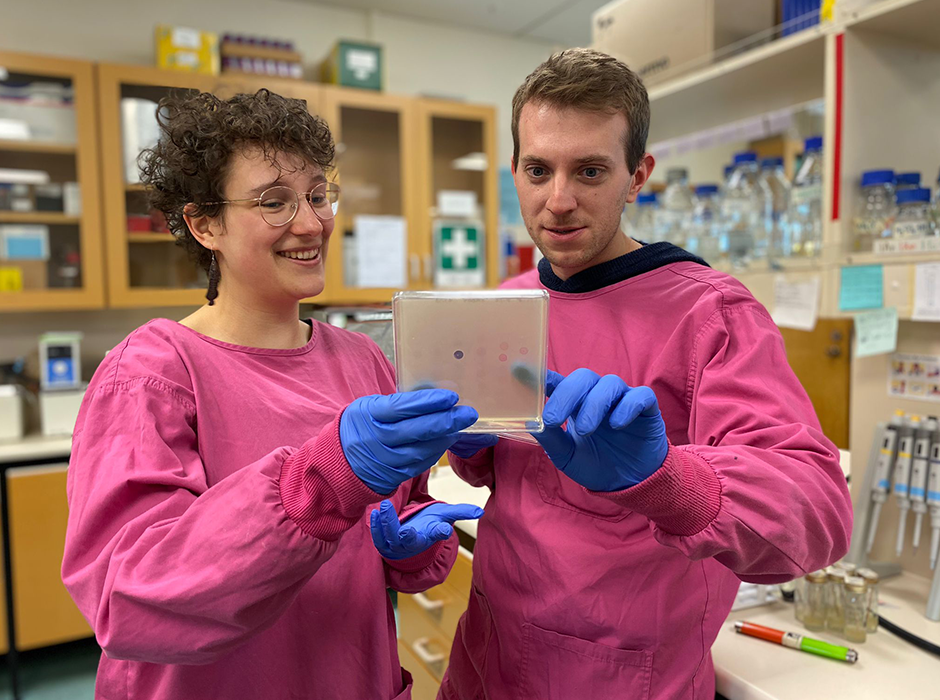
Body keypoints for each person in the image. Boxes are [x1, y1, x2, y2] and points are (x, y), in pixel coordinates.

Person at [439, 49, 853, 700]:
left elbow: (819, 512)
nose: (559, 200)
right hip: (490, 657)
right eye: (538, 169)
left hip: (621, 674)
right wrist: (471, 445)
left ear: (637, 176)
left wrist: (665, 482)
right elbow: (511, 477)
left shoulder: (710, 314)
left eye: (591, 171)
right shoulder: (509, 301)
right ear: (514, 169)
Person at [61, 89, 485, 700]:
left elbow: (398, 512)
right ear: (205, 223)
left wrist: (410, 547)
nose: (312, 223)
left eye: (317, 195)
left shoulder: (362, 359)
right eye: (274, 203)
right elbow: (129, 598)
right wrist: (319, 485)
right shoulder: (152, 373)